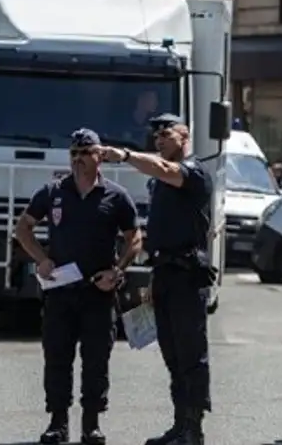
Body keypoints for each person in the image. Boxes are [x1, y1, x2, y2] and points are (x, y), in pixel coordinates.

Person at [15, 128, 142, 445]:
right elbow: (23, 228)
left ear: (100, 157)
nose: (78, 159)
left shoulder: (115, 196)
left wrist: (118, 270)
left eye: (85, 153)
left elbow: (135, 238)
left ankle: (91, 424)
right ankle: (57, 423)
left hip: (98, 293)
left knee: (96, 360)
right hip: (60, 292)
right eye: (74, 153)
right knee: (57, 358)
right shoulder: (53, 192)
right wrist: (42, 259)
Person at [99, 114, 215, 445]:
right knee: (172, 355)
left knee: (191, 355)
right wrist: (152, 279)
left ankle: (193, 429)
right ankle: (180, 425)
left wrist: (125, 155)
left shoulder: (193, 172)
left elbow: (164, 169)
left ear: (184, 136)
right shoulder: (159, 183)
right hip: (164, 272)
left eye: (166, 134)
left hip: (188, 275)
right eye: (156, 136)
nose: (159, 140)